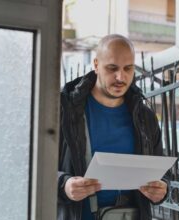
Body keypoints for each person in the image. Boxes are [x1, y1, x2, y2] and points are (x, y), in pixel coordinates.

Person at [57, 34, 169, 220]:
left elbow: (163, 174)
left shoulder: (145, 117)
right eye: (112, 68)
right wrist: (64, 185)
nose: (121, 77)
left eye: (128, 68)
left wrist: (162, 189)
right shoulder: (64, 110)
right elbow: (35, 168)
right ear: (95, 65)